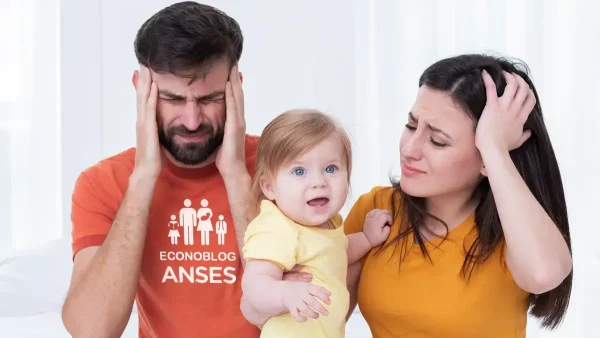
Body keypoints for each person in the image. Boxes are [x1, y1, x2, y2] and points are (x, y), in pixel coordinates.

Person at [242, 54, 574, 338]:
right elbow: (301, 318)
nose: (409, 149)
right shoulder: (376, 211)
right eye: (412, 125)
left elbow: (543, 275)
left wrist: (494, 148)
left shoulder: (515, 229)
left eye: (438, 141)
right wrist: (276, 291)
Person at [61, 2, 268, 337]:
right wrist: (143, 177)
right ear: (141, 88)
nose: (191, 121)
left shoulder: (286, 166)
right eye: (172, 99)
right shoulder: (102, 183)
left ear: (236, 88)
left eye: (209, 99)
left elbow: (307, 313)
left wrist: (234, 175)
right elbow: (91, 329)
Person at [240, 110, 390, 338]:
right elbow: (254, 285)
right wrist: (284, 294)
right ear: (269, 187)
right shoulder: (276, 227)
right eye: (299, 171)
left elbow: (337, 252)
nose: (318, 182)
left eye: (331, 169)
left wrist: (367, 239)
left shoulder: (329, 224)